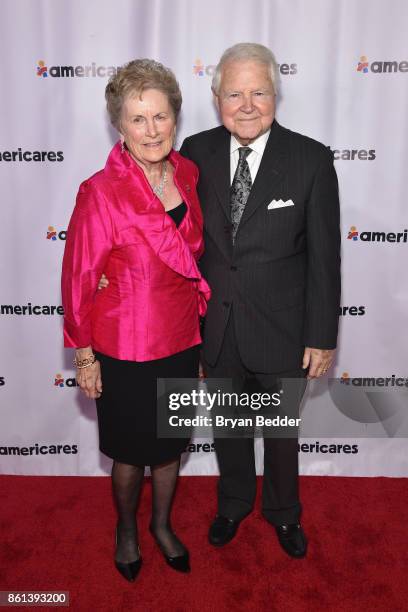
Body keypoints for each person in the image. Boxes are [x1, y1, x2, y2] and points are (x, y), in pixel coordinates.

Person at [179, 43, 341, 558]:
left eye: (259, 91)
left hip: (283, 328)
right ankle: (232, 504)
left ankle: (284, 513)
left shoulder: (311, 158)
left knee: (280, 435)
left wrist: (320, 335)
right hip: (217, 326)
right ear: (215, 97)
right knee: (228, 427)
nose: (246, 104)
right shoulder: (194, 152)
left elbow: (324, 257)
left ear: (277, 93)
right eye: (234, 92)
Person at [61, 58, 210, 582]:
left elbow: (193, 262)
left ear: (176, 118)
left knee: (169, 448)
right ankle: (127, 530)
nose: (152, 130)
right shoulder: (100, 191)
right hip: (123, 346)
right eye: (138, 119)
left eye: (161, 116)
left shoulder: (188, 174)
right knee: (129, 452)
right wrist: (83, 353)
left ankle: (163, 526)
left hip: (181, 338)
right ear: (119, 126)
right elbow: (80, 276)